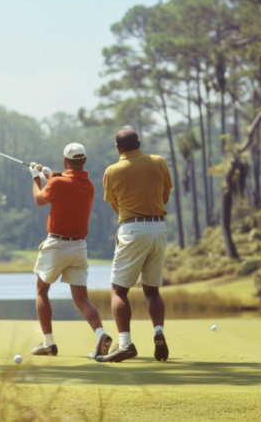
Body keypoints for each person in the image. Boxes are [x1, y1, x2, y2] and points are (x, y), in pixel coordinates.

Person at [27, 143, 112, 359]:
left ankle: (48, 344)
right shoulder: (89, 185)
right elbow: (66, 183)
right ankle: (101, 334)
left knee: (41, 291)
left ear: (65, 161)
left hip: (57, 245)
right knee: (82, 299)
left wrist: (36, 177)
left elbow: (39, 200)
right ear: (84, 161)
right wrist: (53, 176)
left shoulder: (57, 182)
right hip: (79, 247)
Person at [97, 128, 171, 363]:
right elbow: (165, 195)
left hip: (132, 228)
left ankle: (125, 344)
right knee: (152, 290)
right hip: (159, 228)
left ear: (118, 148)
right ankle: (158, 332)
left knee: (119, 290)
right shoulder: (158, 161)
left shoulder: (111, 170)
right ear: (139, 142)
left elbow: (114, 205)